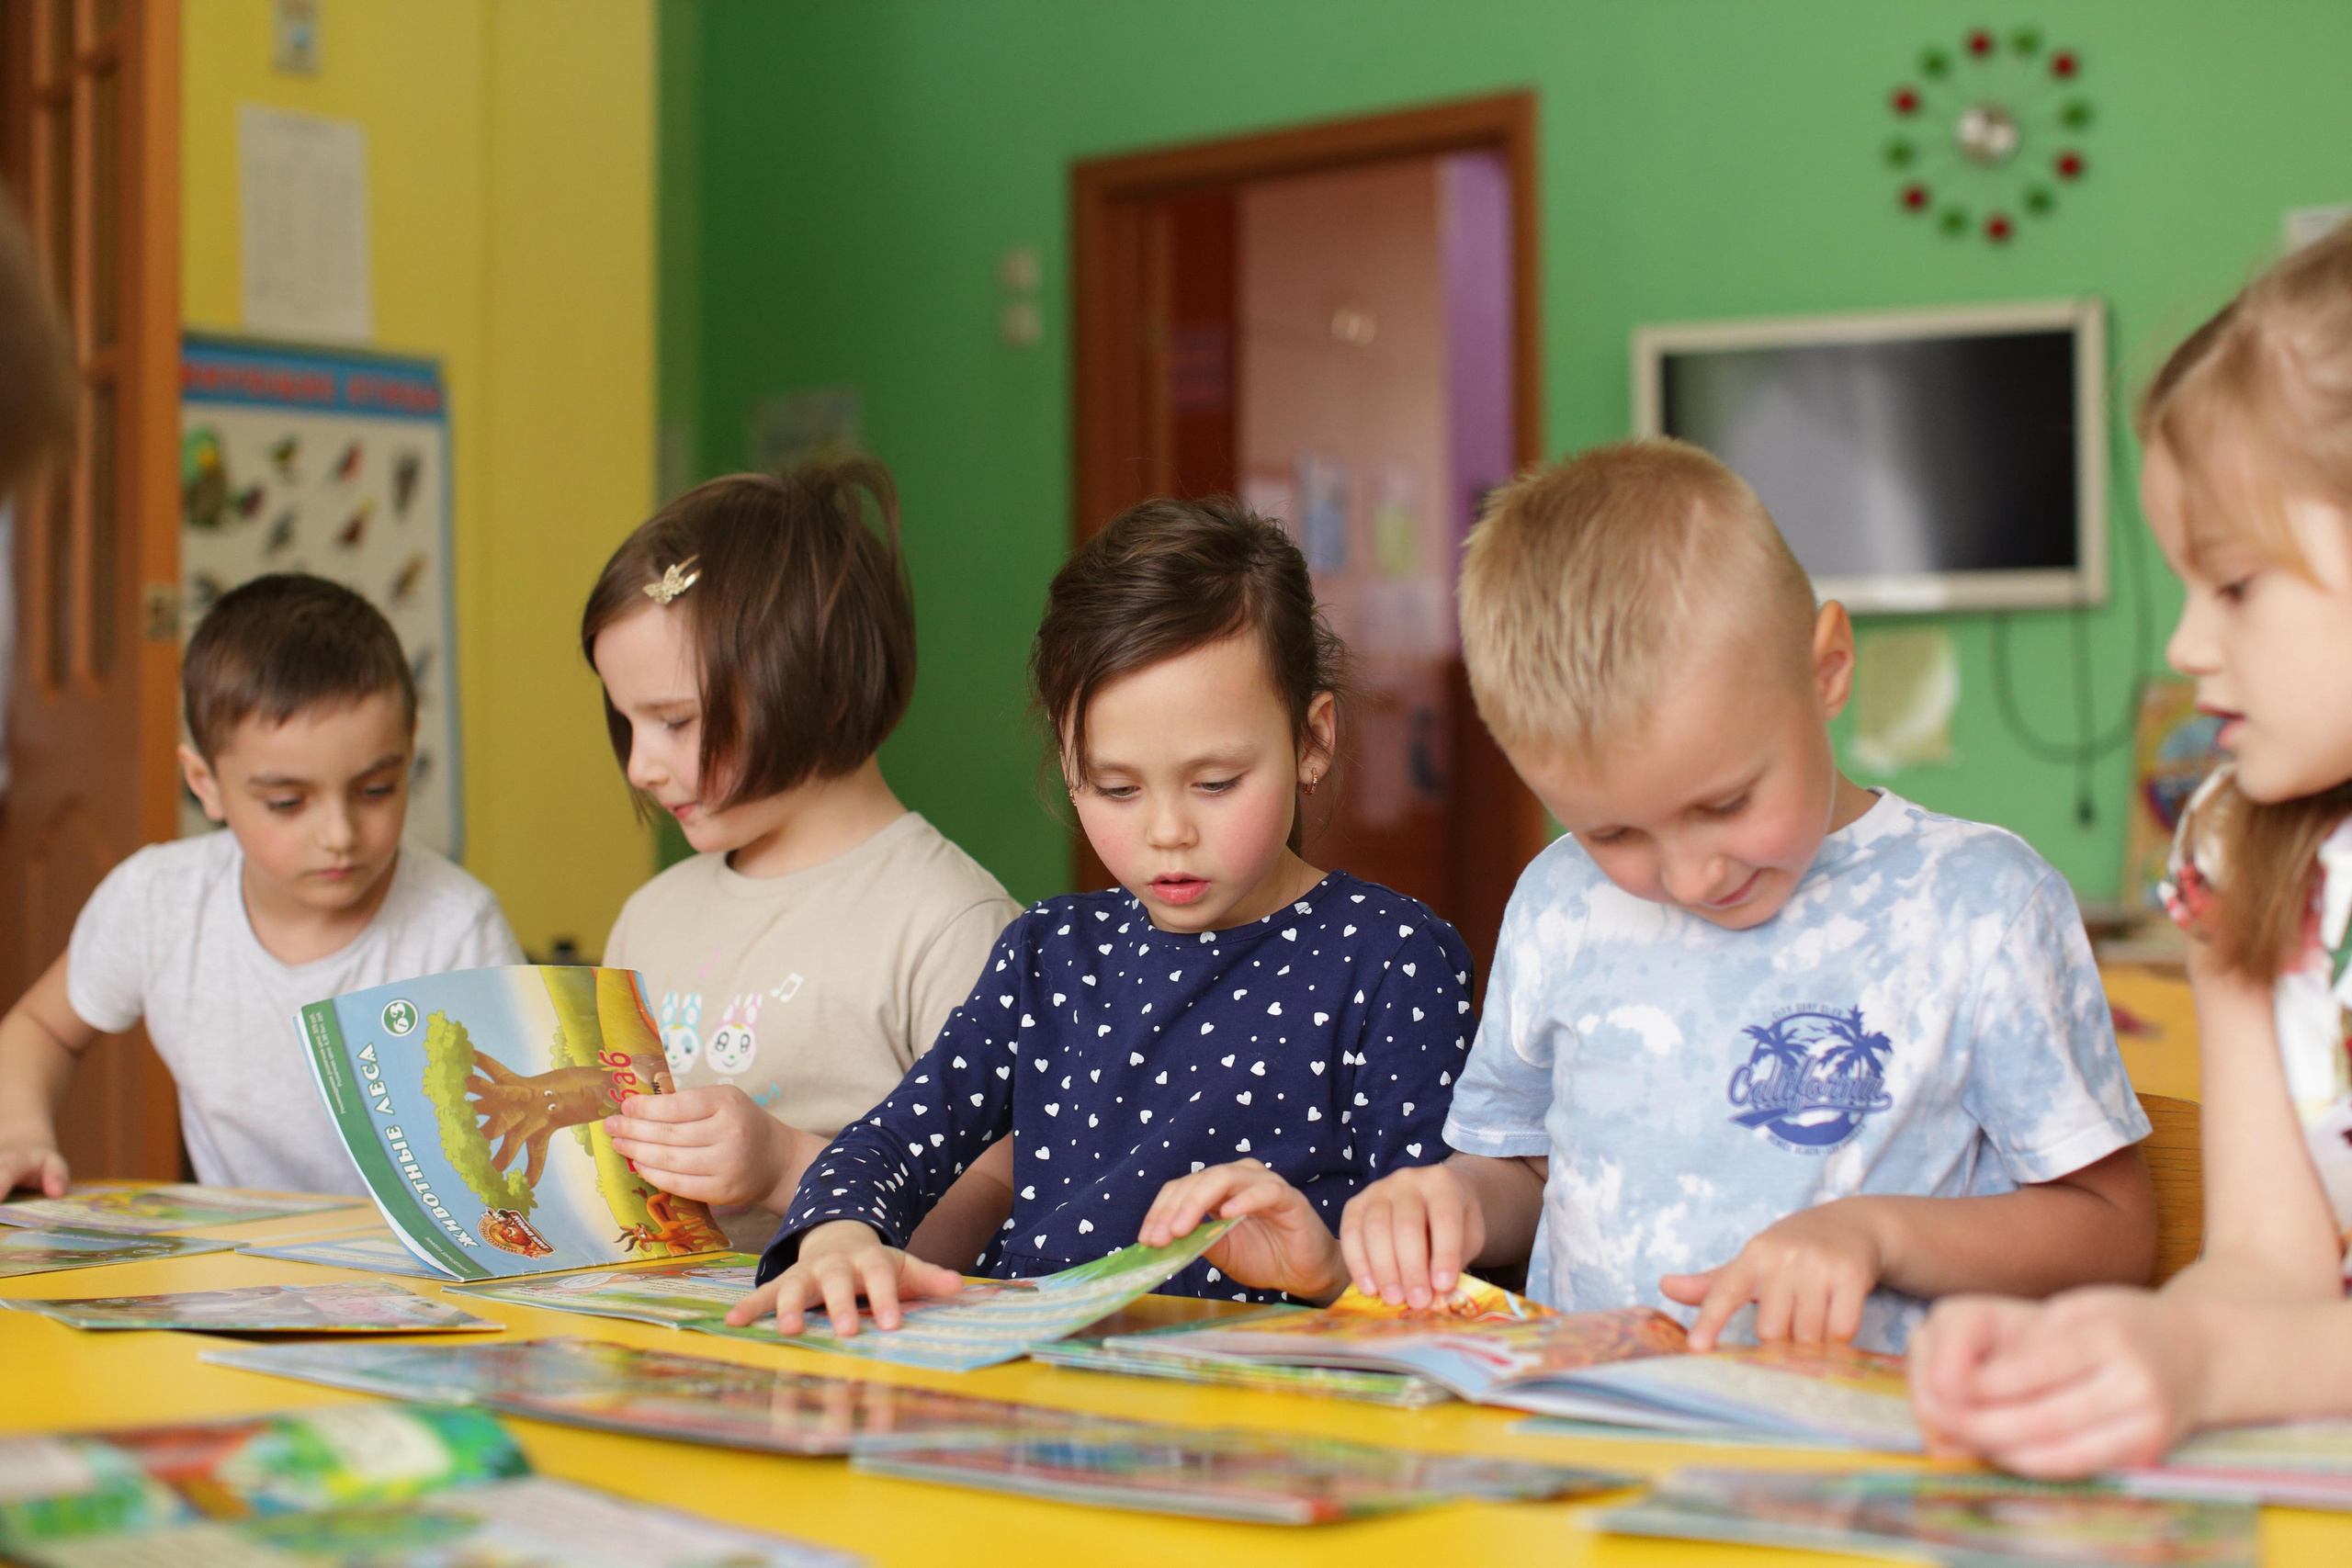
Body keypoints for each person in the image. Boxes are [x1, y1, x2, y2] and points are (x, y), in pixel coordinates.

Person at [1233, 439, 2155, 1355]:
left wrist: (1877, 1234)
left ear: (1827, 668)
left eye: (1725, 804)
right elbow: (1525, 1176)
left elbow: (2112, 1231)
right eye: (1614, 834)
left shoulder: (1979, 904)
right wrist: (1456, 1204)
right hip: (1583, 1421)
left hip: (1858, 1434)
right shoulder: (1558, 900)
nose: (1688, 877)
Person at [727, 496, 1474, 1337]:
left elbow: (1435, 1257)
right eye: (1117, 787)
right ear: (1068, 760)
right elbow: (894, 1139)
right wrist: (838, 1237)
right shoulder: (1047, 953)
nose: (1168, 831)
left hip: (1267, 1391)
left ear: (1312, 740)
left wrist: (1333, 1270)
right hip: (1031, 1379)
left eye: (1216, 782)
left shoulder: (1390, 957)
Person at [1910, 224, 2352, 1474]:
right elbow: (2266, 1262)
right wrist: (2116, 1346)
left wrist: (2212, 1366)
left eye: (2236, 585)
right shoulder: (2239, 849)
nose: (2184, 647)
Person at [583, 461, 1020, 1258]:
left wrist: (786, 1167)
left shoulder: (950, 922)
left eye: (675, 721)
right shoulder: (650, 914)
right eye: (627, 722)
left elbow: (994, 1210)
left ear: (824, 687)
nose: (640, 765)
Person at [0, 575, 523, 1197]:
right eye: (286, 803)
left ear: (408, 752)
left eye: (375, 789)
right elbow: (44, 1026)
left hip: (413, 1251)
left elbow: (516, 1117)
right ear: (206, 784)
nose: (339, 834)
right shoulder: (157, 901)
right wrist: (19, 1134)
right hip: (241, 1252)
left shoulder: (458, 928)